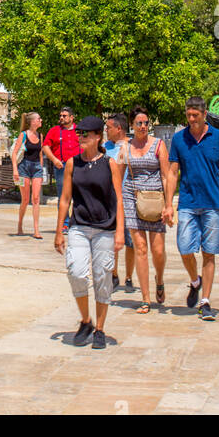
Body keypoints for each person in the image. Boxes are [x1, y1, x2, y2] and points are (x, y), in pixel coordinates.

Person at [165, 96, 219, 322]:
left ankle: (205, 301)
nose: (192, 119)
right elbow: (172, 172)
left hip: (213, 204)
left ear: (205, 114)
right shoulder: (179, 139)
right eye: (188, 115)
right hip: (188, 203)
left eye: (195, 115)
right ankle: (195, 281)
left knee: (209, 252)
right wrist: (168, 204)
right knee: (184, 248)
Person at [55, 115, 124, 349]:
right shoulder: (73, 163)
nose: (81, 137)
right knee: (75, 270)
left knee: (102, 276)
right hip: (80, 227)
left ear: (97, 137)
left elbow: (118, 198)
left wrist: (120, 231)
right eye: (79, 133)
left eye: (85, 134)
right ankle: (85, 320)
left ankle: (100, 329)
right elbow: (65, 199)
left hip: (105, 228)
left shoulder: (110, 164)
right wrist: (58, 230)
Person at [116, 106, 170, 312]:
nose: (143, 126)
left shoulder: (158, 145)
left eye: (146, 123)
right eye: (139, 123)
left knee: (157, 251)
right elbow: (119, 176)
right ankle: (145, 298)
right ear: (132, 125)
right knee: (140, 248)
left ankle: (160, 279)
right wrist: (118, 203)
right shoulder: (125, 147)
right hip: (132, 197)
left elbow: (166, 175)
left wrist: (168, 204)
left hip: (155, 199)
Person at [104, 113, 135, 291]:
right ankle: (114, 273)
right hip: (110, 200)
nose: (106, 131)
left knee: (130, 241)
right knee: (111, 239)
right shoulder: (104, 147)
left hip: (129, 199)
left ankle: (129, 276)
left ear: (119, 128)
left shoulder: (132, 147)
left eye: (108, 127)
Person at [11, 112, 45, 238]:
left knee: (36, 199)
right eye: (39, 118)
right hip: (23, 168)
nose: (41, 120)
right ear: (32, 122)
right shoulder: (23, 135)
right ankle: (20, 224)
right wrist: (15, 170)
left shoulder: (40, 135)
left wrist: (41, 167)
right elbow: (14, 153)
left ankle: (36, 230)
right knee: (25, 199)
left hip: (36, 168)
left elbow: (41, 153)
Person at [43, 106, 80, 192]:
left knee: (80, 194)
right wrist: (54, 160)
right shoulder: (54, 130)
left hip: (78, 166)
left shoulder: (80, 130)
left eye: (64, 116)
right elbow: (45, 147)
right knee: (63, 194)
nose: (61, 118)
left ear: (71, 117)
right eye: (60, 116)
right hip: (61, 166)